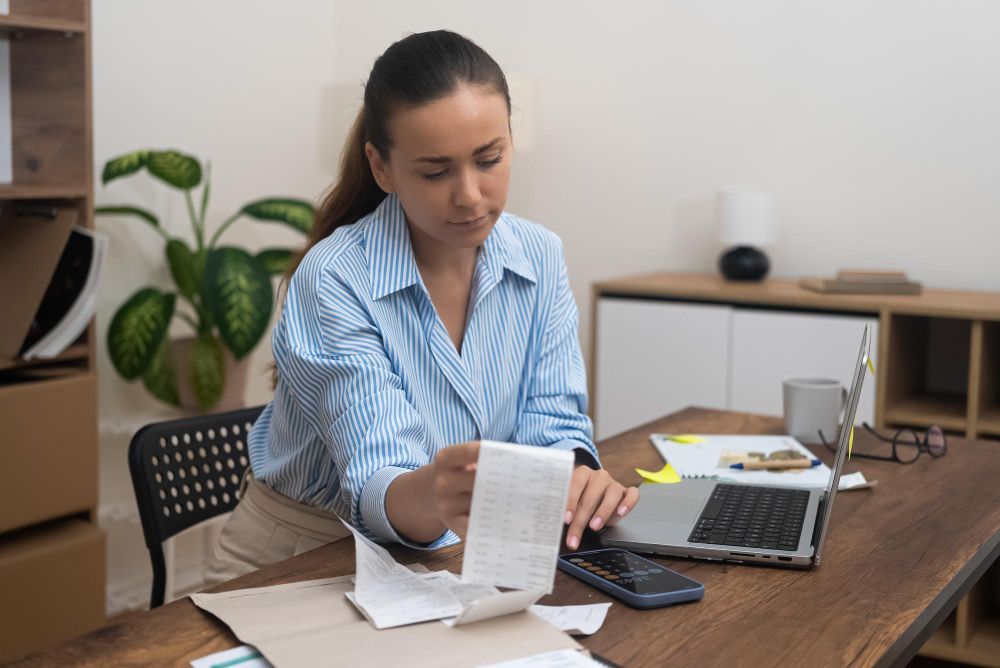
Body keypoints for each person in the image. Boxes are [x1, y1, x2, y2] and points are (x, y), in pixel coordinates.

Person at [206, 29, 639, 585]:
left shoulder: (539, 254)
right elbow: (377, 477)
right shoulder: (335, 276)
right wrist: (440, 488)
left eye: (490, 158)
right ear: (381, 167)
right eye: (435, 172)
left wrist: (577, 475)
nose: (470, 195)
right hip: (304, 557)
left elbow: (552, 419)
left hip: (451, 558)